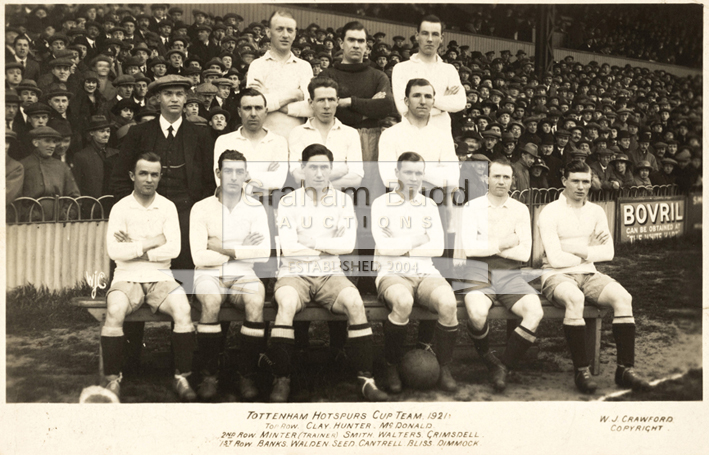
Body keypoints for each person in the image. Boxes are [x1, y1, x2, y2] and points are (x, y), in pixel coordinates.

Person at [265, 143, 388, 402]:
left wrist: (311, 241)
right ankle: (282, 378)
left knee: (355, 303)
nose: (319, 174)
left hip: (330, 274)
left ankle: (366, 379)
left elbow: (347, 245)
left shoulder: (342, 201)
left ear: (331, 170)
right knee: (285, 304)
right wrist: (326, 245)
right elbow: (288, 248)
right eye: (313, 168)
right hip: (294, 273)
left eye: (324, 168)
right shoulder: (288, 201)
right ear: (302, 169)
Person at [538, 161, 650, 394]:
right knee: (575, 299)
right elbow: (555, 260)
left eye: (586, 182)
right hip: (556, 275)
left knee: (623, 298)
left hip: (590, 273)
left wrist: (574, 249)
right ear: (564, 181)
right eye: (575, 181)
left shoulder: (596, 211)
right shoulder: (550, 211)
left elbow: (608, 253)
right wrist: (588, 250)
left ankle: (624, 370)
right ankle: (582, 371)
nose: (581, 187)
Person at [102, 152, 198, 402]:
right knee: (114, 310)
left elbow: (174, 249)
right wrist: (152, 242)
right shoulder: (120, 207)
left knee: (183, 309)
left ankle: (182, 377)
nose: (149, 179)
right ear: (133, 176)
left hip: (161, 276)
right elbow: (114, 251)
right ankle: (113, 379)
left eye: (154, 174)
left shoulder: (167, 206)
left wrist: (134, 246)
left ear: (160, 176)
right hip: (126, 276)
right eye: (143, 173)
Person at [372, 152, 459, 393]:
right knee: (402, 302)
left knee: (449, 304)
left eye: (418, 173)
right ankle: (391, 364)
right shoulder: (382, 204)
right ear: (397, 174)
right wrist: (420, 238)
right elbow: (386, 249)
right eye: (408, 172)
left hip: (425, 271)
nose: (413, 178)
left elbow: (438, 247)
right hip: (392, 272)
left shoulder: (429, 204)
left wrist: (402, 244)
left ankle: (444, 367)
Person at [111, 74, 216, 271]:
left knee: (184, 270)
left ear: (186, 98)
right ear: (158, 98)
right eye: (168, 94)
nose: (174, 99)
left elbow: (209, 182)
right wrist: (133, 212)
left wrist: (197, 215)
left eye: (179, 94)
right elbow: (120, 177)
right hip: (147, 211)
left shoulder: (200, 135)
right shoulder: (138, 133)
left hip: (187, 212)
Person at [190, 150, 270, 401]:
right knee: (211, 301)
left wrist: (222, 247)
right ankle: (209, 374)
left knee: (256, 299)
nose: (234, 177)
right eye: (228, 171)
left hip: (243, 276)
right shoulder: (201, 207)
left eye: (239, 172)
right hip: (208, 275)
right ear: (218, 174)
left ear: (246, 175)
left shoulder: (255, 208)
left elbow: (264, 254)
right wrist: (241, 249)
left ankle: (245, 374)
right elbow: (199, 257)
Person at [461, 159, 543, 392]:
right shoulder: (472, 207)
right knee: (477, 314)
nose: (501, 181)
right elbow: (470, 249)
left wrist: (487, 244)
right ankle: (488, 358)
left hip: (510, 273)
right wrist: (504, 242)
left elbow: (524, 253)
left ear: (512, 180)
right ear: (487, 178)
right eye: (496, 176)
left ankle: (503, 366)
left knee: (534, 313)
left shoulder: (520, 209)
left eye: (506, 177)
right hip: (477, 270)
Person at [246, 10, 313, 139]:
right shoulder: (257, 65)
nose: (285, 35)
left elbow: (310, 109)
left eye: (290, 30)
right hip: (264, 141)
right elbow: (254, 106)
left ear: (295, 34)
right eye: (280, 29)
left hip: (296, 142)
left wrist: (269, 98)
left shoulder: (304, 67)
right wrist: (294, 94)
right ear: (268, 32)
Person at [391, 15, 465, 131]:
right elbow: (403, 108)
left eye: (435, 34)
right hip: (411, 134)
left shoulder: (449, 69)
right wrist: (442, 105)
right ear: (417, 36)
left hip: (442, 135)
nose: (430, 39)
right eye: (425, 33)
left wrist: (418, 102)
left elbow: (460, 103)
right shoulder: (401, 68)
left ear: (441, 38)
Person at [288, 77, 364, 190]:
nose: (327, 106)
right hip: (307, 200)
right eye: (321, 100)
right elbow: (298, 176)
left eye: (331, 99)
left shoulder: (350, 133)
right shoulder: (298, 133)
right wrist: (339, 172)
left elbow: (356, 178)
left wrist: (315, 180)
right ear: (311, 102)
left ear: (337, 101)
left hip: (340, 200)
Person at [20, 126, 80, 221]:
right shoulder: (23, 166)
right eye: (47, 141)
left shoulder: (62, 167)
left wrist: (66, 215)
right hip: (30, 224)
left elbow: (74, 197)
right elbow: (16, 200)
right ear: (35, 142)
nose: (52, 145)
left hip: (58, 223)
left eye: (54, 142)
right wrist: (29, 215)